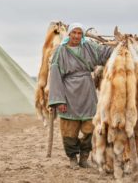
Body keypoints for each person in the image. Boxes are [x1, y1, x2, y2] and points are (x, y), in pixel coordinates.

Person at [48, 23, 113, 169]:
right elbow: (55, 76)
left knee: (90, 128)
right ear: (69, 34)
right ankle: (72, 158)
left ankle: (84, 158)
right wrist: (59, 100)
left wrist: (120, 46)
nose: (77, 36)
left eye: (79, 33)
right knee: (69, 129)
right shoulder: (60, 51)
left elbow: (105, 53)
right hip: (69, 92)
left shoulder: (89, 47)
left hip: (87, 91)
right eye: (74, 33)